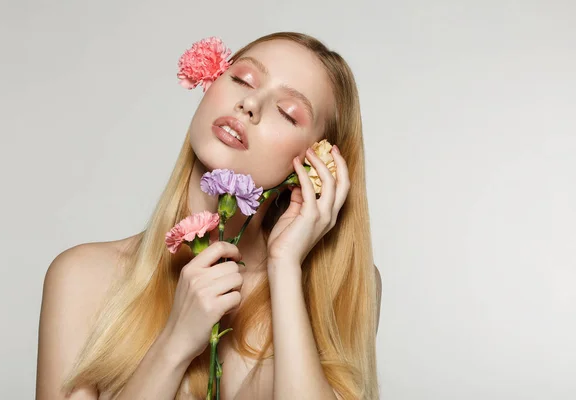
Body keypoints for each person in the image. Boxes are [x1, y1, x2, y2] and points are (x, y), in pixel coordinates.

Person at [36, 31, 382, 400]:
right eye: (242, 79)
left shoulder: (343, 290)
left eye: (287, 112)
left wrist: (284, 268)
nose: (250, 103)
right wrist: (174, 344)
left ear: (318, 163)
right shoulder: (83, 277)